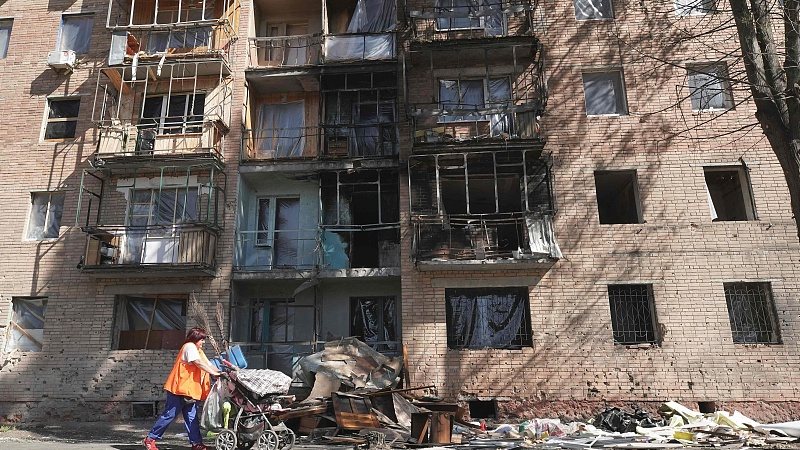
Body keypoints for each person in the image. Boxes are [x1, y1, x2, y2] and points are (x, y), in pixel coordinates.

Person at [143, 327, 223, 450]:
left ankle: (196, 443)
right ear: (195, 338)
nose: (203, 342)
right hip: (179, 389)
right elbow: (198, 363)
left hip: (190, 390)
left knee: (192, 417)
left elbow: (208, 364)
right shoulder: (189, 347)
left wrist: (221, 373)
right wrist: (214, 373)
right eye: (201, 339)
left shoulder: (198, 350)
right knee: (169, 415)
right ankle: (150, 439)